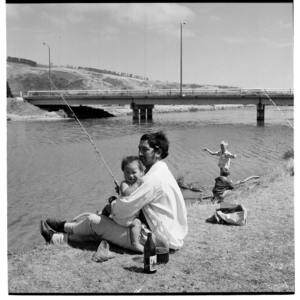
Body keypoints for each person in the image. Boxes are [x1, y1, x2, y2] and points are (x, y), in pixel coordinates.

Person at [40, 131, 188, 255]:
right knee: (105, 227)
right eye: (139, 149)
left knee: (95, 220)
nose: (140, 153)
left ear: (158, 152)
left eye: (144, 149)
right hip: (168, 235)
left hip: (158, 240)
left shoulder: (152, 179)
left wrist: (111, 205)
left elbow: (122, 212)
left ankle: (61, 232)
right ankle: (60, 232)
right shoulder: (163, 171)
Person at [101, 156, 145, 253]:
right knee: (136, 224)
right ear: (123, 172)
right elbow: (126, 193)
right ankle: (135, 243)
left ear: (142, 173)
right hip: (124, 217)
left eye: (134, 172)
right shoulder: (124, 184)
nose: (130, 176)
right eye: (127, 172)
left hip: (120, 212)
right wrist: (136, 185)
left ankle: (105, 214)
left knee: (110, 207)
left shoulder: (143, 185)